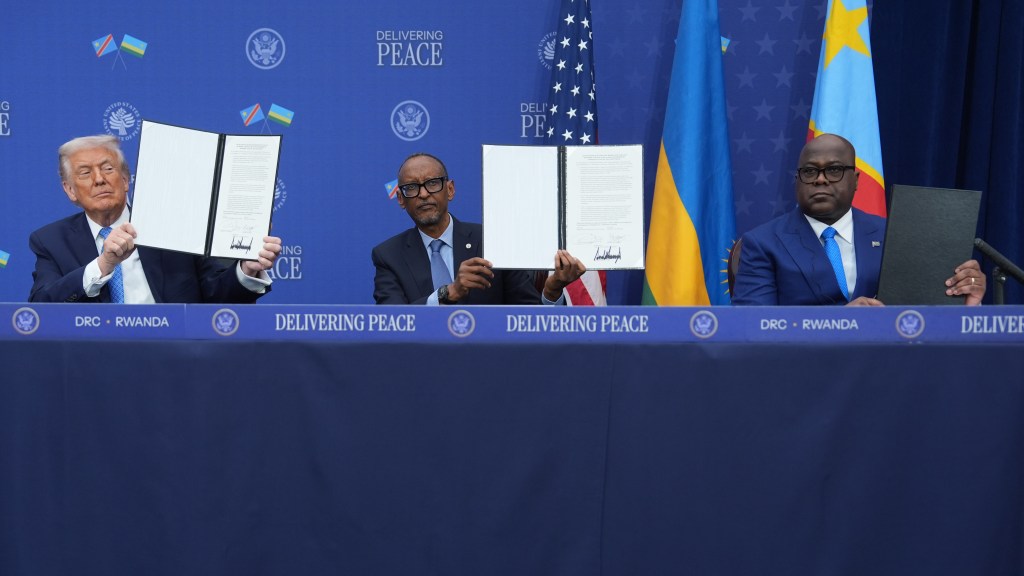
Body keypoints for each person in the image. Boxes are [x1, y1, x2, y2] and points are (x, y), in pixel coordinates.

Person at [732, 133, 985, 306]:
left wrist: (964, 303)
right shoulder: (763, 243)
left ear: (856, 181)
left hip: (889, 371)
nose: (820, 179)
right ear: (797, 181)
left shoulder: (894, 236)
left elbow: (922, 320)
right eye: (810, 171)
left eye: (834, 169)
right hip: (802, 374)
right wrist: (842, 323)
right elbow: (753, 327)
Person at [29, 135, 282, 303]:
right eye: (85, 173)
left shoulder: (176, 223)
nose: (99, 179)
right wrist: (104, 264)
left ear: (126, 180)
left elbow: (218, 297)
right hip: (95, 362)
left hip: (173, 355)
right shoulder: (50, 241)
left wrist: (247, 269)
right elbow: (41, 307)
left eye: (108, 168)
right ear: (70, 190)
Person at [372, 152, 584, 305]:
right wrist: (448, 292)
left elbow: (528, 318)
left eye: (433, 183)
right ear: (400, 199)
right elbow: (393, 321)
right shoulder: (388, 256)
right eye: (411, 188)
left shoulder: (493, 240)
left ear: (451, 190)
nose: (424, 194)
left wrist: (552, 290)